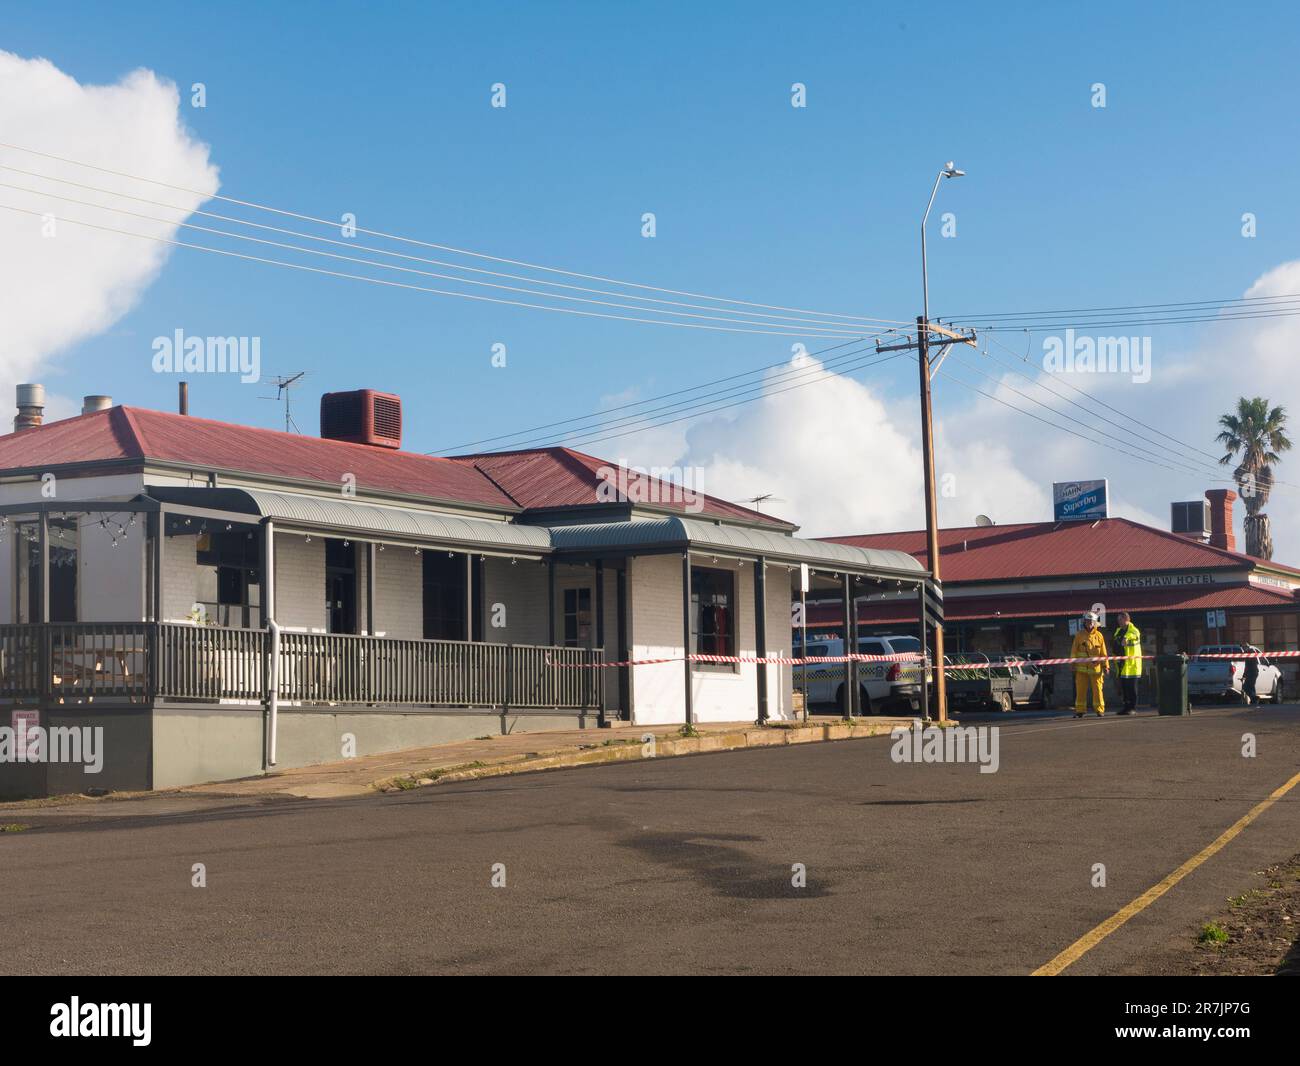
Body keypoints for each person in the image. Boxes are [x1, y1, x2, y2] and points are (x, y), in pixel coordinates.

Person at [1070, 612, 1109, 718]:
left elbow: (1103, 653)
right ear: (1084, 622)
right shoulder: (1079, 635)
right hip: (1081, 669)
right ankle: (1080, 710)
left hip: (1096, 669)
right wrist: (1072, 663)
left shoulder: (1099, 636)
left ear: (1095, 623)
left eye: (1092, 621)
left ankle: (1099, 710)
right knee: (1080, 690)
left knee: (1098, 690)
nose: (1090, 623)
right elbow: (1074, 650)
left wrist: (1106, 666)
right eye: (1088, 621)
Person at [1112, 611, 1142, 715]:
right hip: (1122, 665)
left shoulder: (1134, 630)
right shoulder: (1118, 631)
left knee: (1132, 688)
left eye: (1120, 619)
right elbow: (1115, 644)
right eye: (1118, 620)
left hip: (1132, 665)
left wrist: (1126, 638)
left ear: (1126, 619)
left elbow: (1133, 635)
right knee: (1124, 688)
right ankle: (1126, 707)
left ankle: (1132, 708)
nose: (1118, 622)